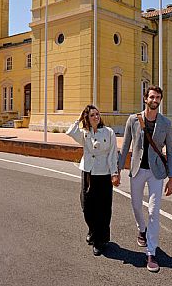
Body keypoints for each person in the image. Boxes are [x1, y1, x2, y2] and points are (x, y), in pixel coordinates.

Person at [118, 85, 172, 273]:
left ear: (160, 100)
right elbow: (125, 145)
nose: (154, 100)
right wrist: (116, 170)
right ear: (145, 99)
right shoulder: (133, 120)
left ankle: (151, 252)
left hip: (156, 173)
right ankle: (141, 229)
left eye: (158, 97)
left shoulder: (166, 123)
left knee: (153, 211)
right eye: (152, 97)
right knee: (136, 205)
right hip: (137, 170)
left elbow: (171, 152)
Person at [67, 105, 120, 256]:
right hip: (89, 172)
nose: (96, 117)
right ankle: (92, 230)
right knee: (87, 206)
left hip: (104, 173)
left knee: (103, 208)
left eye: (97, 114)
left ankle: (100, 239)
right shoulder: (84, 133)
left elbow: (112, 154)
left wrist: (114, 173)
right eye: (92, 115)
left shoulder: (108, 132)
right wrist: (79, 119)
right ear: (87, 119)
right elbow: (71, 131)